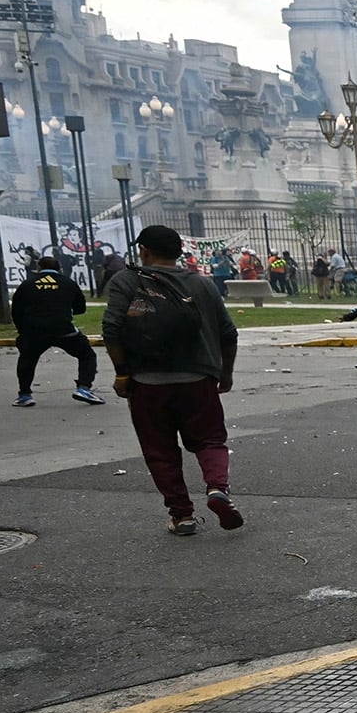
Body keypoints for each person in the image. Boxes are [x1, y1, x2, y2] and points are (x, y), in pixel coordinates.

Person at [101, 225, 243, 537]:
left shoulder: (127, 281)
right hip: (198, 379)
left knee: (160, 450)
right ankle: (217, 488)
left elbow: (111, 330)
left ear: (144, 250)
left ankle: (182, 516)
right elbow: (228, 334)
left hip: (147, 383)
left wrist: (122, 373)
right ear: (179, 251)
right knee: (210, 439)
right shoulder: (202, 284)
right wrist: (225, 373)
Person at [11, 256, 106, 407]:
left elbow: (16, 311)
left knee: (27, 359)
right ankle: (84, 387)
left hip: (34, 330)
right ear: (59, 268)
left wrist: (22, 330)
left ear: (39, 268)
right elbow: (80, 308)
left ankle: (24, 395)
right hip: (63, 329)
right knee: (86, 354)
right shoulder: (68, 283)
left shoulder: (27, 284)